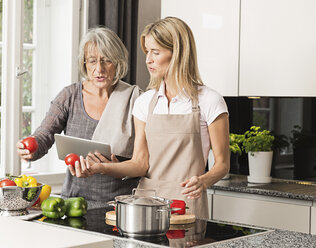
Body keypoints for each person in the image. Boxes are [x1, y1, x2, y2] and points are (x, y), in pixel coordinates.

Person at [73, 17, 230, 219]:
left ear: (178, 53)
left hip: (186, 204)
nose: (148, 59)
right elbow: (140, 163)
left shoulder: (209, 100)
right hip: (146, 204)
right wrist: (101, 168)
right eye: (147, 52)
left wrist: (204, 180)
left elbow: (222, 164)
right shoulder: (145, 102)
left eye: (156, 52)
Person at [16, 27, 142, 202]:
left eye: (106, 60)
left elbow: (144, 160)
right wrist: (32, 147)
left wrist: (116, 167)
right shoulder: (70, 95)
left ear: (118, 62)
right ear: (84, 63)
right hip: (74, 200)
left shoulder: (135, 99)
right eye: (92, 61)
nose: (99, 69)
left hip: (121, 204)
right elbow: (45, 134)